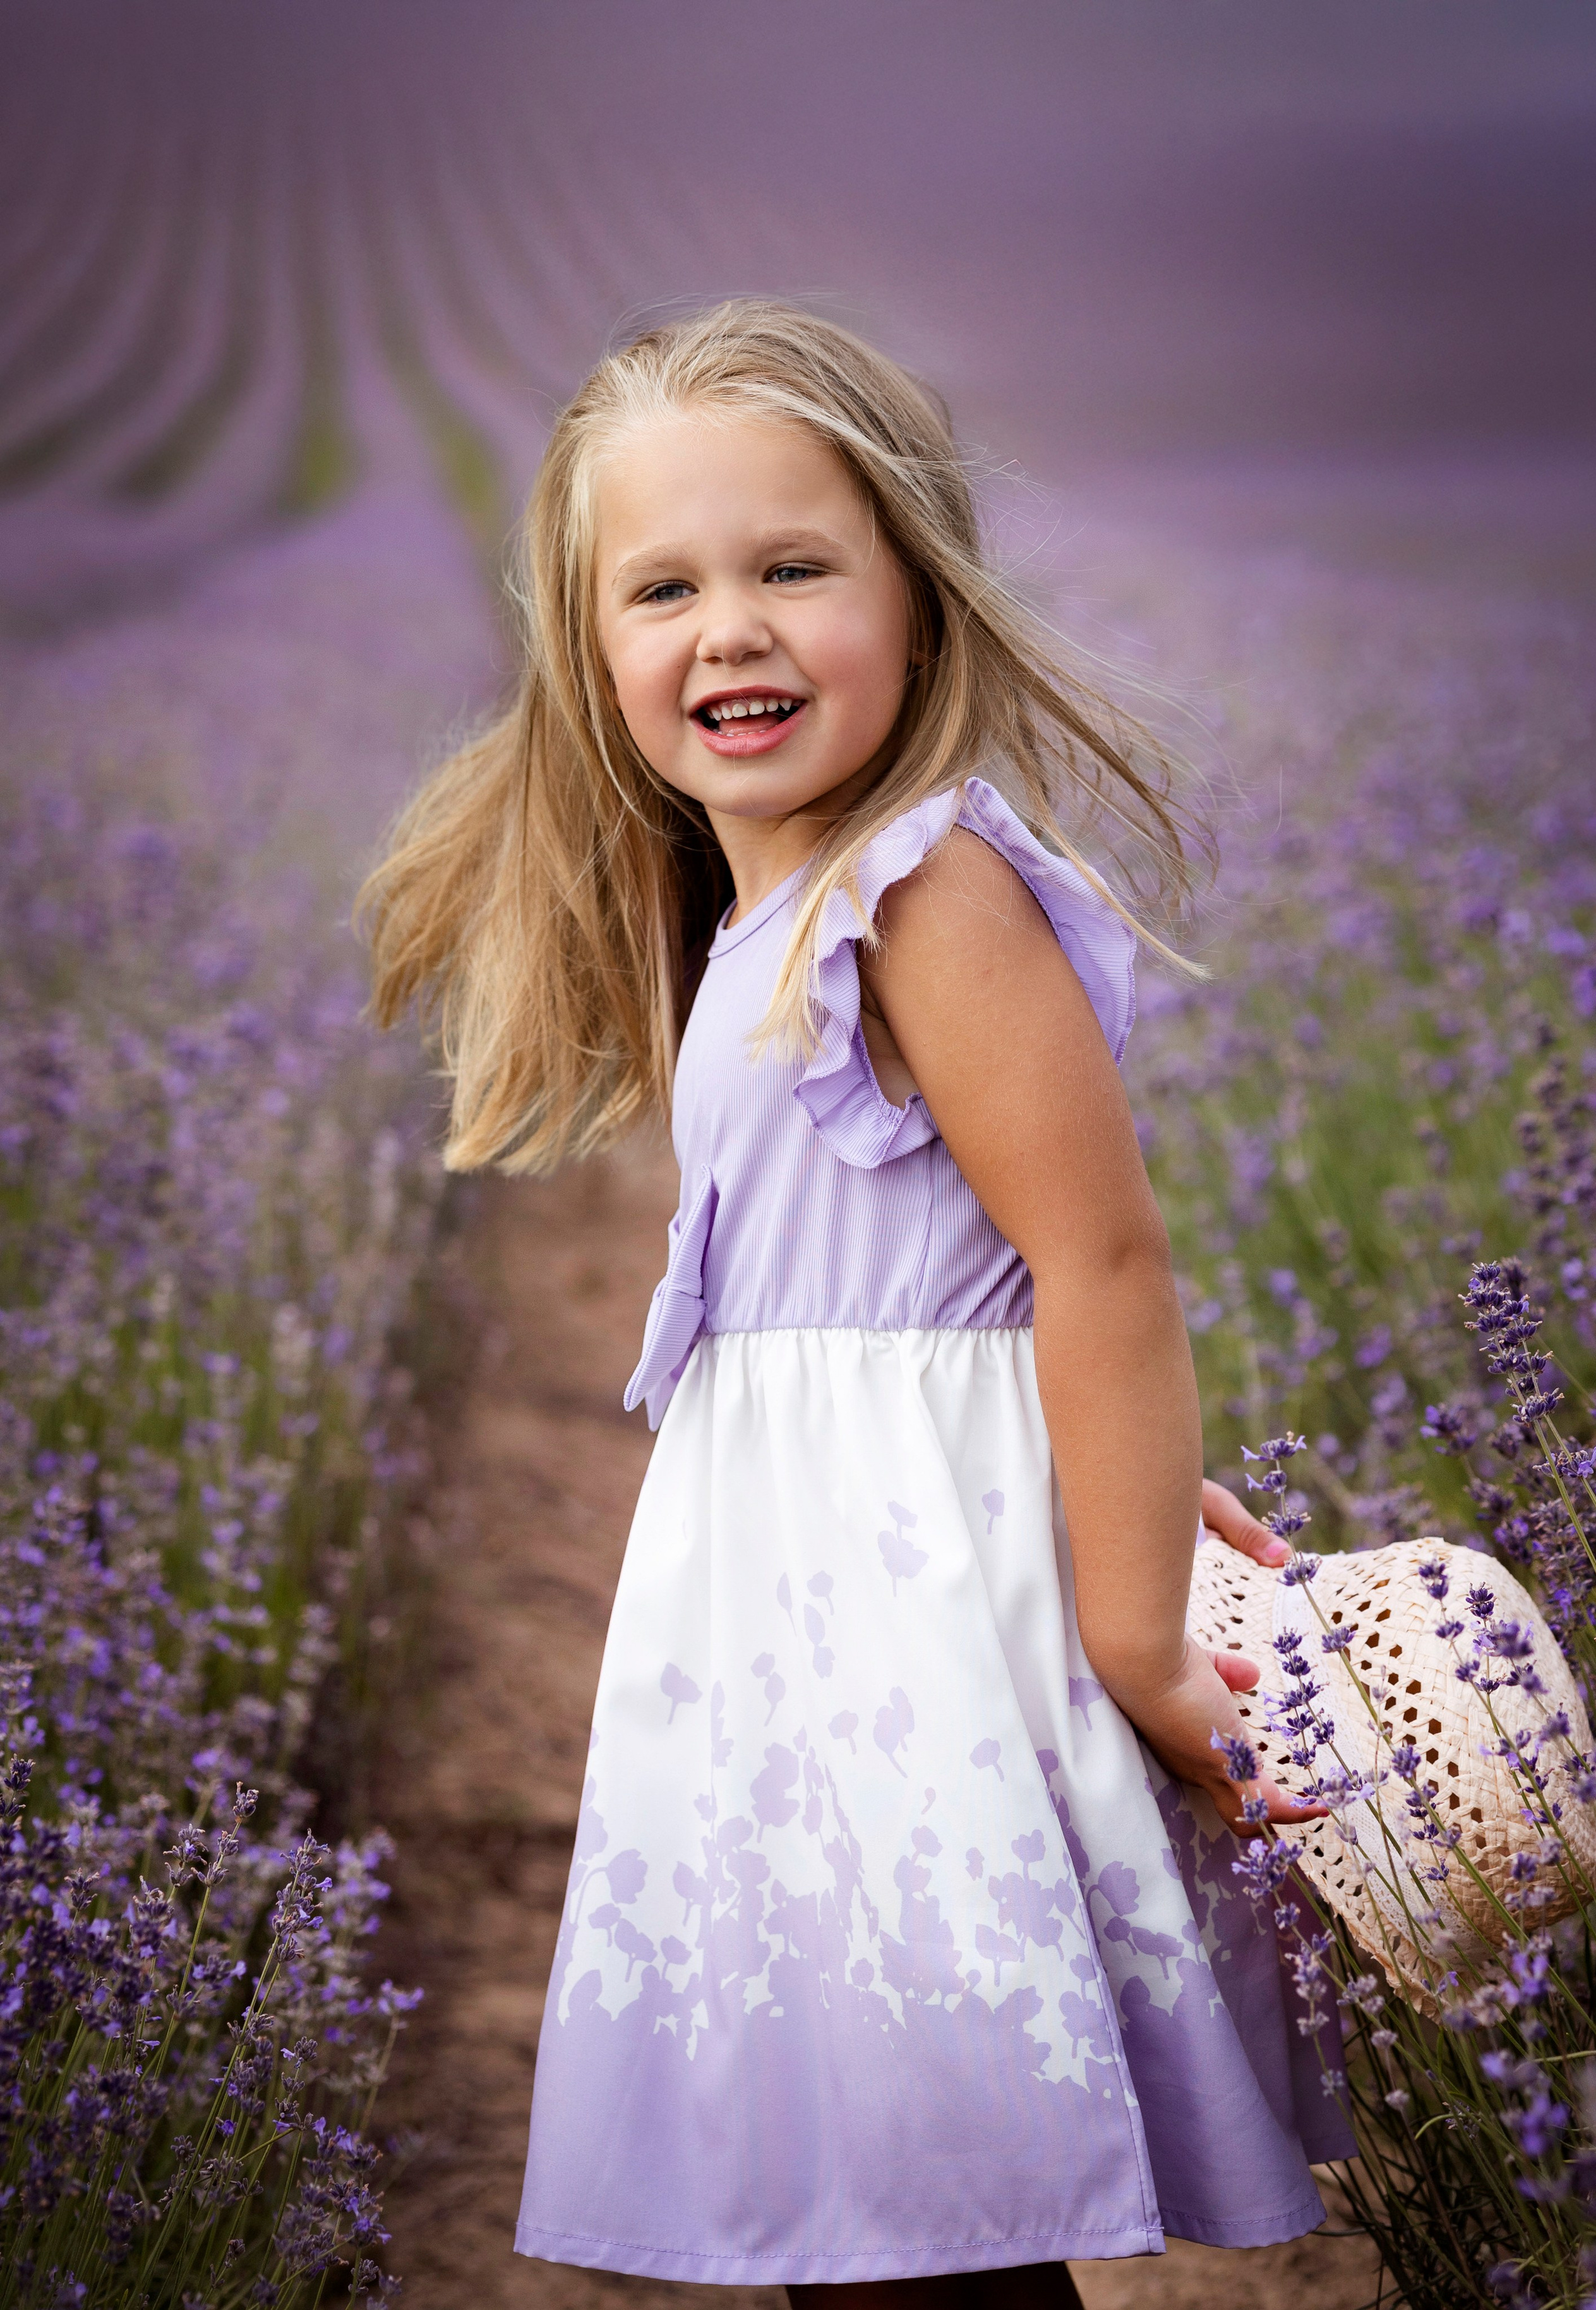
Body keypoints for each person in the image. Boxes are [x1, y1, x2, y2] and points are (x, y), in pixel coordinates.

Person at [362, 301, 1353, 2304]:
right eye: (664, 589)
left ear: (915, 594)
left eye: (795, 568)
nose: (731, 628)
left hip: (922, 1646)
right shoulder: (765, 913)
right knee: (868, 2220)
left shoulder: (921, 893)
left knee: (922, 2216)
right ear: (592, 654)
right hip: (809, 1634)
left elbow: (1100, 1260)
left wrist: (1136, 1615)